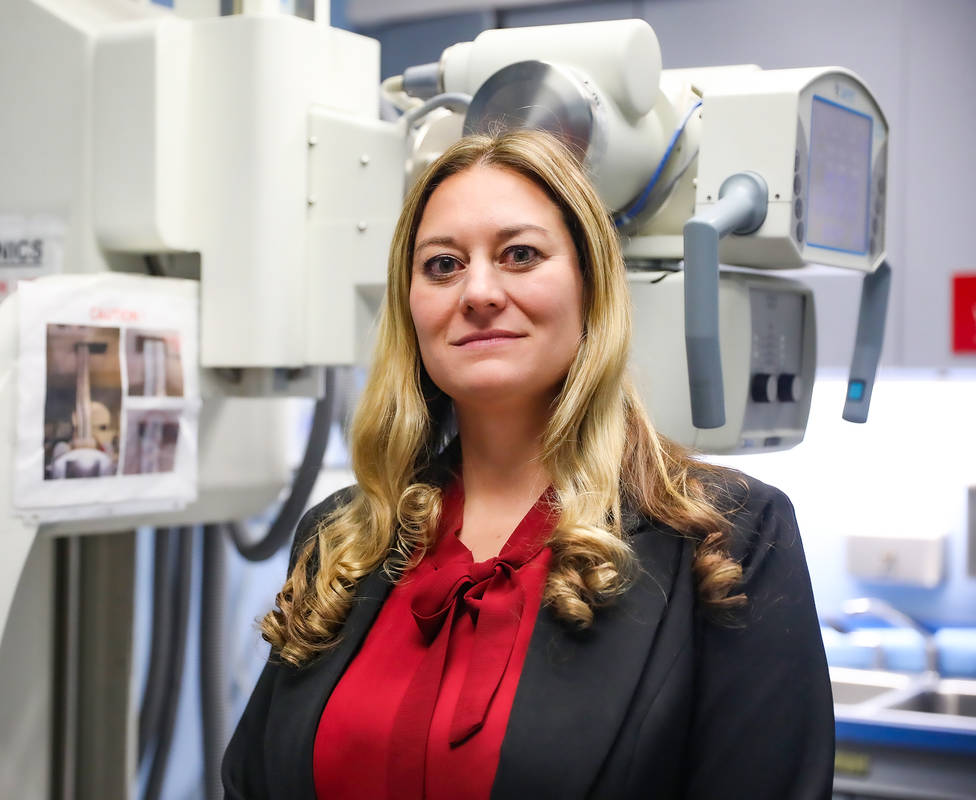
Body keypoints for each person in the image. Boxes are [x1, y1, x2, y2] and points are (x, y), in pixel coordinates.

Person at [222, 129, 834, 799]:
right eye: (442, 265)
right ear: (409, 306)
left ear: (590, 287)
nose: (478, 291)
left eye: (520, 254)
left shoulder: (728, 537)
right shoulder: (343, 538)